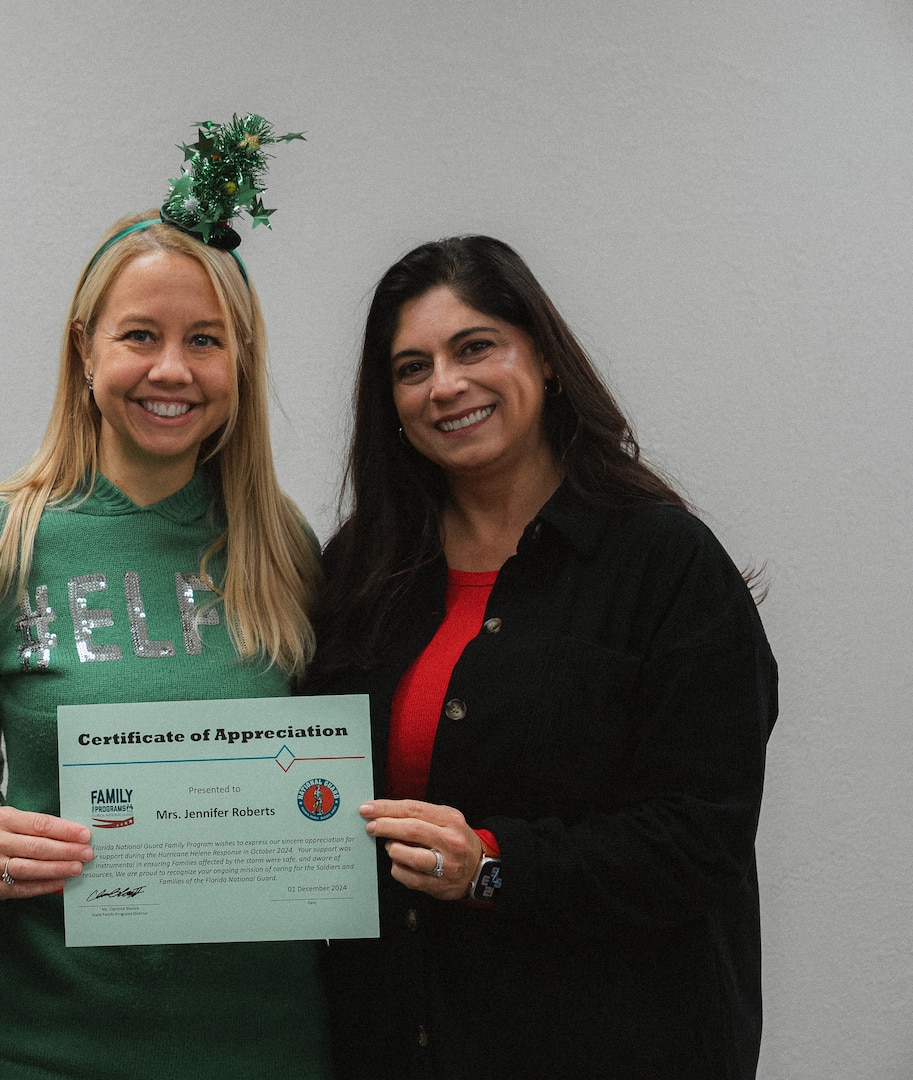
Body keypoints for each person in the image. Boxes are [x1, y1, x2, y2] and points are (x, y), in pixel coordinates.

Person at [0, 115, 327, 1080]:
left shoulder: (287, 549)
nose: (171, 369)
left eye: (205, 341)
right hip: (41, 1049)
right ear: (85, 351)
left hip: (266, 1049)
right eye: (140, 335)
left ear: (240, 364)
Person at [306, 235, 778, 1079]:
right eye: (411, 368)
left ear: (546, 361)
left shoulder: (664, 564)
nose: (445, 386)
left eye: (474, 346)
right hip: (395, 1041)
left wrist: (490, 864)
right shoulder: (362, 567)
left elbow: (697, 840)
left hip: (610, 1042)